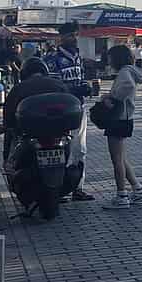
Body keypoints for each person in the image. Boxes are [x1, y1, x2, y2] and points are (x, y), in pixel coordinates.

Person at [44, 23, 94, 201]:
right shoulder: (52, 59)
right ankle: (59, 188)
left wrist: (85, 88)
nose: (74, 38)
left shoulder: (77, 57)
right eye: (70, 35)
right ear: (61, 38)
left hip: (78, 108)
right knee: (61, 149)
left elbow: (79, 78)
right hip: (61, 111)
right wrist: (74, 90)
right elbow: (54, 86)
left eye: (75, 35)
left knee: (80, 149)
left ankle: (77, 187)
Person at [98, 44, 142, 209]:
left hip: (118, 119)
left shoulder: (124, 73)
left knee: (116, 160)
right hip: (124, 119)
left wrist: (112, 98)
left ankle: (122, 196)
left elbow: (128, 87)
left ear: (117, 58)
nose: (109, 60)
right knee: (121, 158)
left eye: (111, 57)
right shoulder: (128, 71)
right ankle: (138, 189)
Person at [0, 58, 66, 161]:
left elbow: (8, 119)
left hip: (29, 135)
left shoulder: (18, 89)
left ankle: (8, 161)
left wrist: (6, 127)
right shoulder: (59, 85)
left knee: (10, 133)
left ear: (24, 73)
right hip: (56, 133)